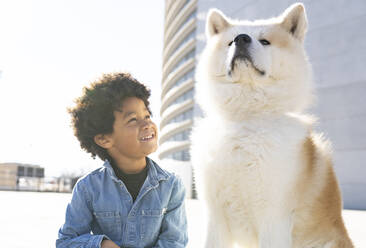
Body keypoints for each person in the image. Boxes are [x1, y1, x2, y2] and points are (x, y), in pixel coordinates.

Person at [56, 73, 188, 248]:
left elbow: (175, 242)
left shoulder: (172, 186)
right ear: (104, 139)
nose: (147, 124)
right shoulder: (88, 188)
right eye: (133, 120)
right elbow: (66, 242)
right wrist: (102, 245)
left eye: (147, 116)